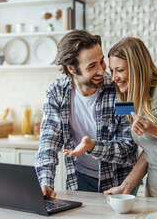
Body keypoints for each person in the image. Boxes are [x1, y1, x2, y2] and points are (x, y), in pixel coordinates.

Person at [67, 37, 157, 198]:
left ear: (137, 67)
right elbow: (148, 150)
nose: (114, 78)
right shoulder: (128, 98)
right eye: (112, 71)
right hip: (154, 191)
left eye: (120, 70)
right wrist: (125, 187)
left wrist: (153, 129)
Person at [34, 30, 138, 199]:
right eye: (92, 66)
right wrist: (45, 181)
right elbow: (48, 142)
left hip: (120, 182)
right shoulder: (56, 93)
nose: (102, 70)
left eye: (101, 61)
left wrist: (92, 146)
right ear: (72, 69)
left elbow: (128, 147)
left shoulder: (119, 89)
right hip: (80, 179)